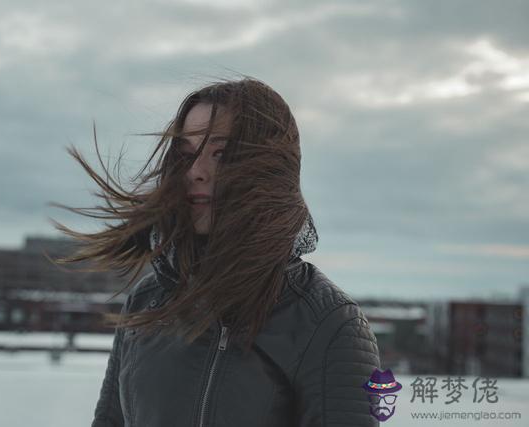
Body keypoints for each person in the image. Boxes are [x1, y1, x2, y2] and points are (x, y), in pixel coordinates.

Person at [51, 77, 381, 426]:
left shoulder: (328, 324)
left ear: (271, 170)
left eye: (220, 154)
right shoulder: (147, 300)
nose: (195, 172)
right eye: (187, 155)